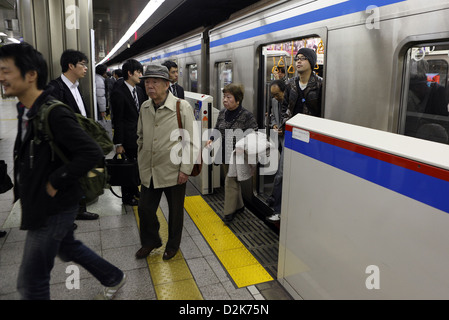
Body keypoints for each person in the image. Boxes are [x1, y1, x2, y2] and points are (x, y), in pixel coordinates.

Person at [0, 42, 126, 300]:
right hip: (41, 202)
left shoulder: (52, 112)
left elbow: (91, 152)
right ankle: (113, 276)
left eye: (6, 70)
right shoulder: (25, 109)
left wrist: (55, 181)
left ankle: (113, 276)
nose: (1, 77)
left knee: (31, 282)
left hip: (54, 205)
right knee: (68, 248)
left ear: (31, 74)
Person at [136, 64, 198, 260]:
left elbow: (191, 141)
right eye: (147, 82)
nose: (150, 86)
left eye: (154, 82)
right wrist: (142, 156)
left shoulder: (181, 107)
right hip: (150, 169)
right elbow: (140, 136)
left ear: (166, 85)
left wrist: (185, 170)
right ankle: (151, 241)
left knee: (175, 212)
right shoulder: (145, 107)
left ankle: (173, 245)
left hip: (174, 169)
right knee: (145, 208)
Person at [268, 47, 323, 222]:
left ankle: (305, 211)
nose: (298, 61)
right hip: (293, 134)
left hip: (312, 138)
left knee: (308, 176)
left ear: (311, 63)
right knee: (282, 173)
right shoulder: (291, 84)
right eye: (297, 58)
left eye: (303, 58)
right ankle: (278, 209)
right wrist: (285, 123)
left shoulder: (320, 84)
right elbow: (285, 107)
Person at [47, 49, 99, 222]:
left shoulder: (77, 87)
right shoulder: (55, 88)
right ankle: (64, 215)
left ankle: (79, 210)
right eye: (82, 65)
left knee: (78, 177)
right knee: (66, 177)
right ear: (70, 66)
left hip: (79, 141)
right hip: (65, 144)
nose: (85, 68)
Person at [206, 83, 258, 223]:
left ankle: (229, 213)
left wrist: (244, 145)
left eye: (229, 97)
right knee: (234, 181)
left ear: (238, 100)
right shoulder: (223, 113)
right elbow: (217, 128)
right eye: (224, 96)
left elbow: (253, 133)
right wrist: (211, 139)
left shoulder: (246, 116)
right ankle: (240, 206)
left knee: (230, 181)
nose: (225, 100)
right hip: (224, 153)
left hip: (238, 155)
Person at [110, 59, 145, 206]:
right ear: (129, 73)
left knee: (136, 166)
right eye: (138, 72)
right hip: (127, 137)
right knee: (127, 166)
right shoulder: (118, 92)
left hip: (139, 136)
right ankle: (127, 196)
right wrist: (118, 143)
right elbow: (118, 120)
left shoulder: (139, 91)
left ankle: (135, 190)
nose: (140, 75)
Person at [266, 80, 288, 208]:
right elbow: (273, 115)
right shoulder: (275, 101)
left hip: (287, 139)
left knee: (281, 171)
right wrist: (274, 124)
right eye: (273, 95)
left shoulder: (291, 103)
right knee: (277, 168)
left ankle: (274, 199)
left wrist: (284, 129)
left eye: (277, 94)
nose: (275, 98)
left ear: (285, 91)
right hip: (277, 137)